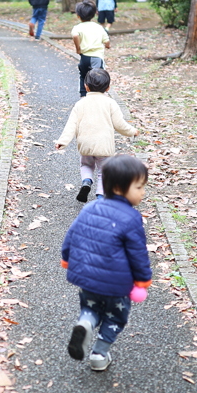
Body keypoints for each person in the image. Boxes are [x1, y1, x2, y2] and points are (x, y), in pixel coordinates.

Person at [60, 154, 152, 371]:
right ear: (119, 188)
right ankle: (99, 354)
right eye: (139, 187)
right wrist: (143, 280)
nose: (143, 192)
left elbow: (71, 237)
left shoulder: (89, 209)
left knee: (90, 308)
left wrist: (67, 259)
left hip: (88, 281)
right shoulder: (131, 218)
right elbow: (138, 253)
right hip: (116, 285)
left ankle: (86, 323)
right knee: (115, 316)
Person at [54, 68, 138, 203]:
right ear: (108, 87)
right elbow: (120, 124)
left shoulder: (80, 104)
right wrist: (132, 131)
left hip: (85, 144)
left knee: (86, 165)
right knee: (103, 172)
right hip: (104, 145)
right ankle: (100, 196)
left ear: (86, 87)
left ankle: (86, 181)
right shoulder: (111, 103)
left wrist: (63, 141)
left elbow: (71, 125)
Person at [71, 0, 110, 97]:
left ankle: (83, 96)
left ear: (78, 16)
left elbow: (75, 36)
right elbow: (107, 41)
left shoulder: (77, 27)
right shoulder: (99, 27)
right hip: (96, 58)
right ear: (94, 14)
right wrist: (107, 45)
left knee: (83, 76)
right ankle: (98, 96)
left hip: (84, 58)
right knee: (97, 78)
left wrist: (78, 49)